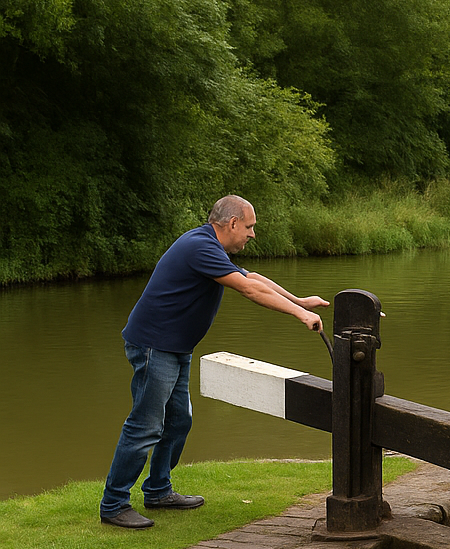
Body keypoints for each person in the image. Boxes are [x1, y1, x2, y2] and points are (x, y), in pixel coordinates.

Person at [99, 195, 328, 529]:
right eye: (249, 227)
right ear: (232, 223)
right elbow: (249, 291)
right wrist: (299, 314)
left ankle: (159, 490)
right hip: (154, 346)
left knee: (178, 421)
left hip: (175, 346)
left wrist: (298, 299)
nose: (252, 234)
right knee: (146, 425)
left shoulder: (211, 248)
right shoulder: (200, 247)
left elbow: (254, 278)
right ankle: (114, 503)